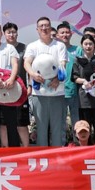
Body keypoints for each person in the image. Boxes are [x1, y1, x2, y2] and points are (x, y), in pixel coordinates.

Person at [24, 17, 69, 147]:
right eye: (41, 26)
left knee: (57, 129)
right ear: (37, 29)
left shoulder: (59, 46)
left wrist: (57, 79)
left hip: (57, 92)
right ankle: (42, 157)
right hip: (39, 94)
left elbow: (63, 64)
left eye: (46, 25)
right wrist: (33, 74)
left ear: (50, 27)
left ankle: (57, 155)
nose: (44, 28)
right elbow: (27, 63)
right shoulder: (32, 46)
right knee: (41, 129)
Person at [72, 31, 95, 145]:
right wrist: (84, 81)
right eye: (86, 44)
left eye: (90, 44)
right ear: (82, 45)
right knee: (84, 129)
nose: (88, 46)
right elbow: (74, 77)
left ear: (94, 45)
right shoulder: (77, 60)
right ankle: (85, 151)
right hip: (84, 100)